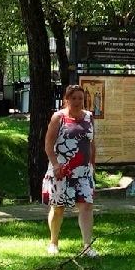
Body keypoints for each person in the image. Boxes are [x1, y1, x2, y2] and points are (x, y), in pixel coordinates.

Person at [42, 84, 97, 257]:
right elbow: (48, 145)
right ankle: (53, 242)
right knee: (58, 207)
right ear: (67, 100)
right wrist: (56, 165)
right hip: (62, 170)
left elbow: (91, 143)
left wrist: (93, 165)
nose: (77, 101)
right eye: (73, 98)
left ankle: (87, 246)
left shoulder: (89, 117)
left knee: (87, 206)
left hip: (83, 171)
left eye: (80, 98)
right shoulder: (58, 118)